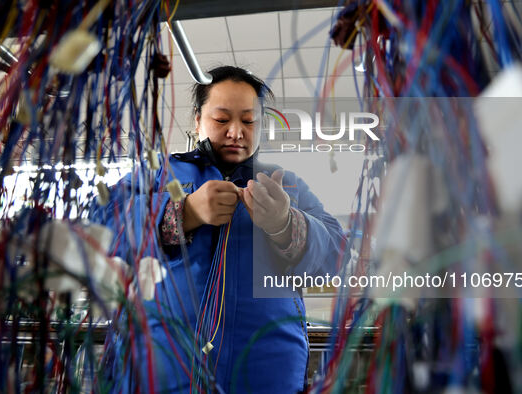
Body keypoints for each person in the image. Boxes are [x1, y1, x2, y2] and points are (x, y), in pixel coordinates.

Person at [91, 66, 345, 393]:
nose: (236, 132)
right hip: (162, 369)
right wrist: (182, 212)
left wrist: (286, 225)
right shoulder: (158, 173)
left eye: (249, 121)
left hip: (264, 372)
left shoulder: (287, 185)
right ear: (197, 120)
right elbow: (99, 224)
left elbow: (336, 253)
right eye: (222, 120)